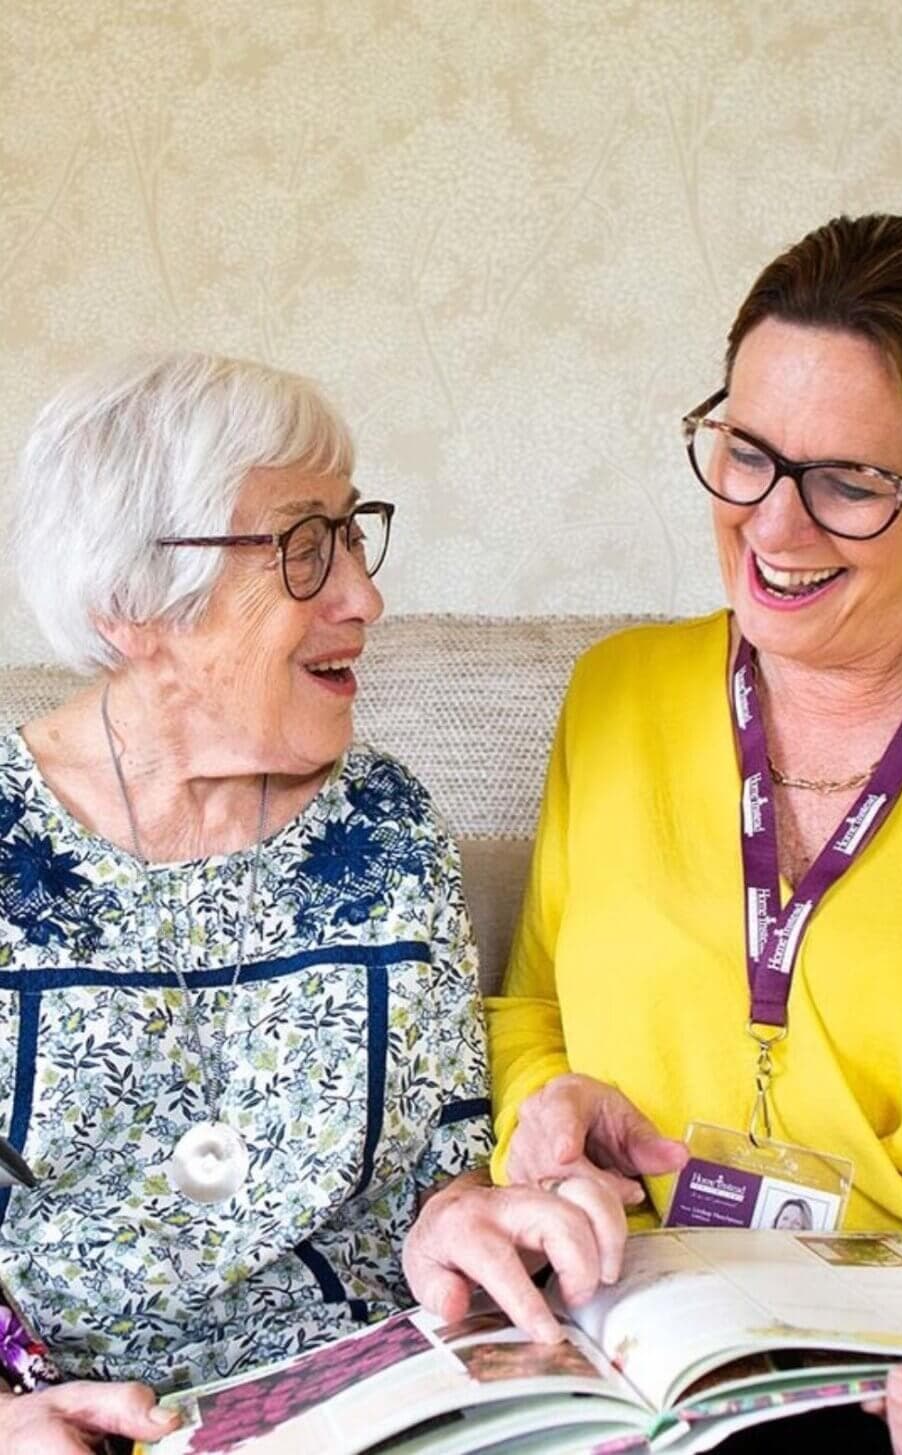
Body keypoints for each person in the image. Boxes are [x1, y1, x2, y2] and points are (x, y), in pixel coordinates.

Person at [0, 352, 622, 1454]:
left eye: (350, 532)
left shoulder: (380, 823)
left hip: (383, 1400)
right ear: (132, 603)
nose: (363, 596)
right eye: (301, 548)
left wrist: (464, 1218)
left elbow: (443, 1170)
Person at [488, 214, 902, 1454]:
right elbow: (532, 1003)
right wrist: (544, 1111)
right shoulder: (618, 692)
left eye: (849, 483)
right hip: (640, 1344)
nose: (772, 527)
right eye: (747, 455)